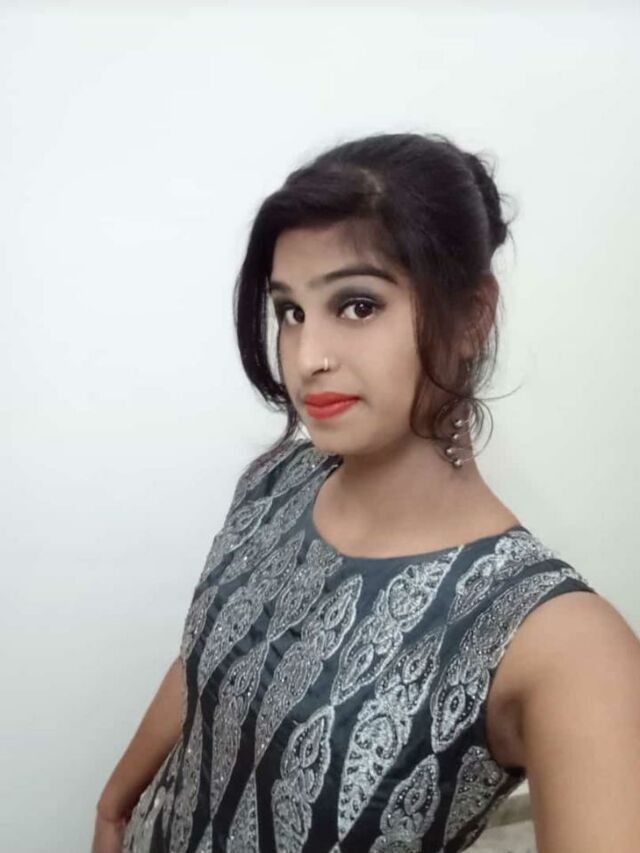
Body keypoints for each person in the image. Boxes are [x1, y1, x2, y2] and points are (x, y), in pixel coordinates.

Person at [92, 132, 640, 853]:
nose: (308, 357)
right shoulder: (275, 482)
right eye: (291, 311)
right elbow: (212, 664)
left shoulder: (560, 643)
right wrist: (115, 803)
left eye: (356, 305)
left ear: (472, 316)